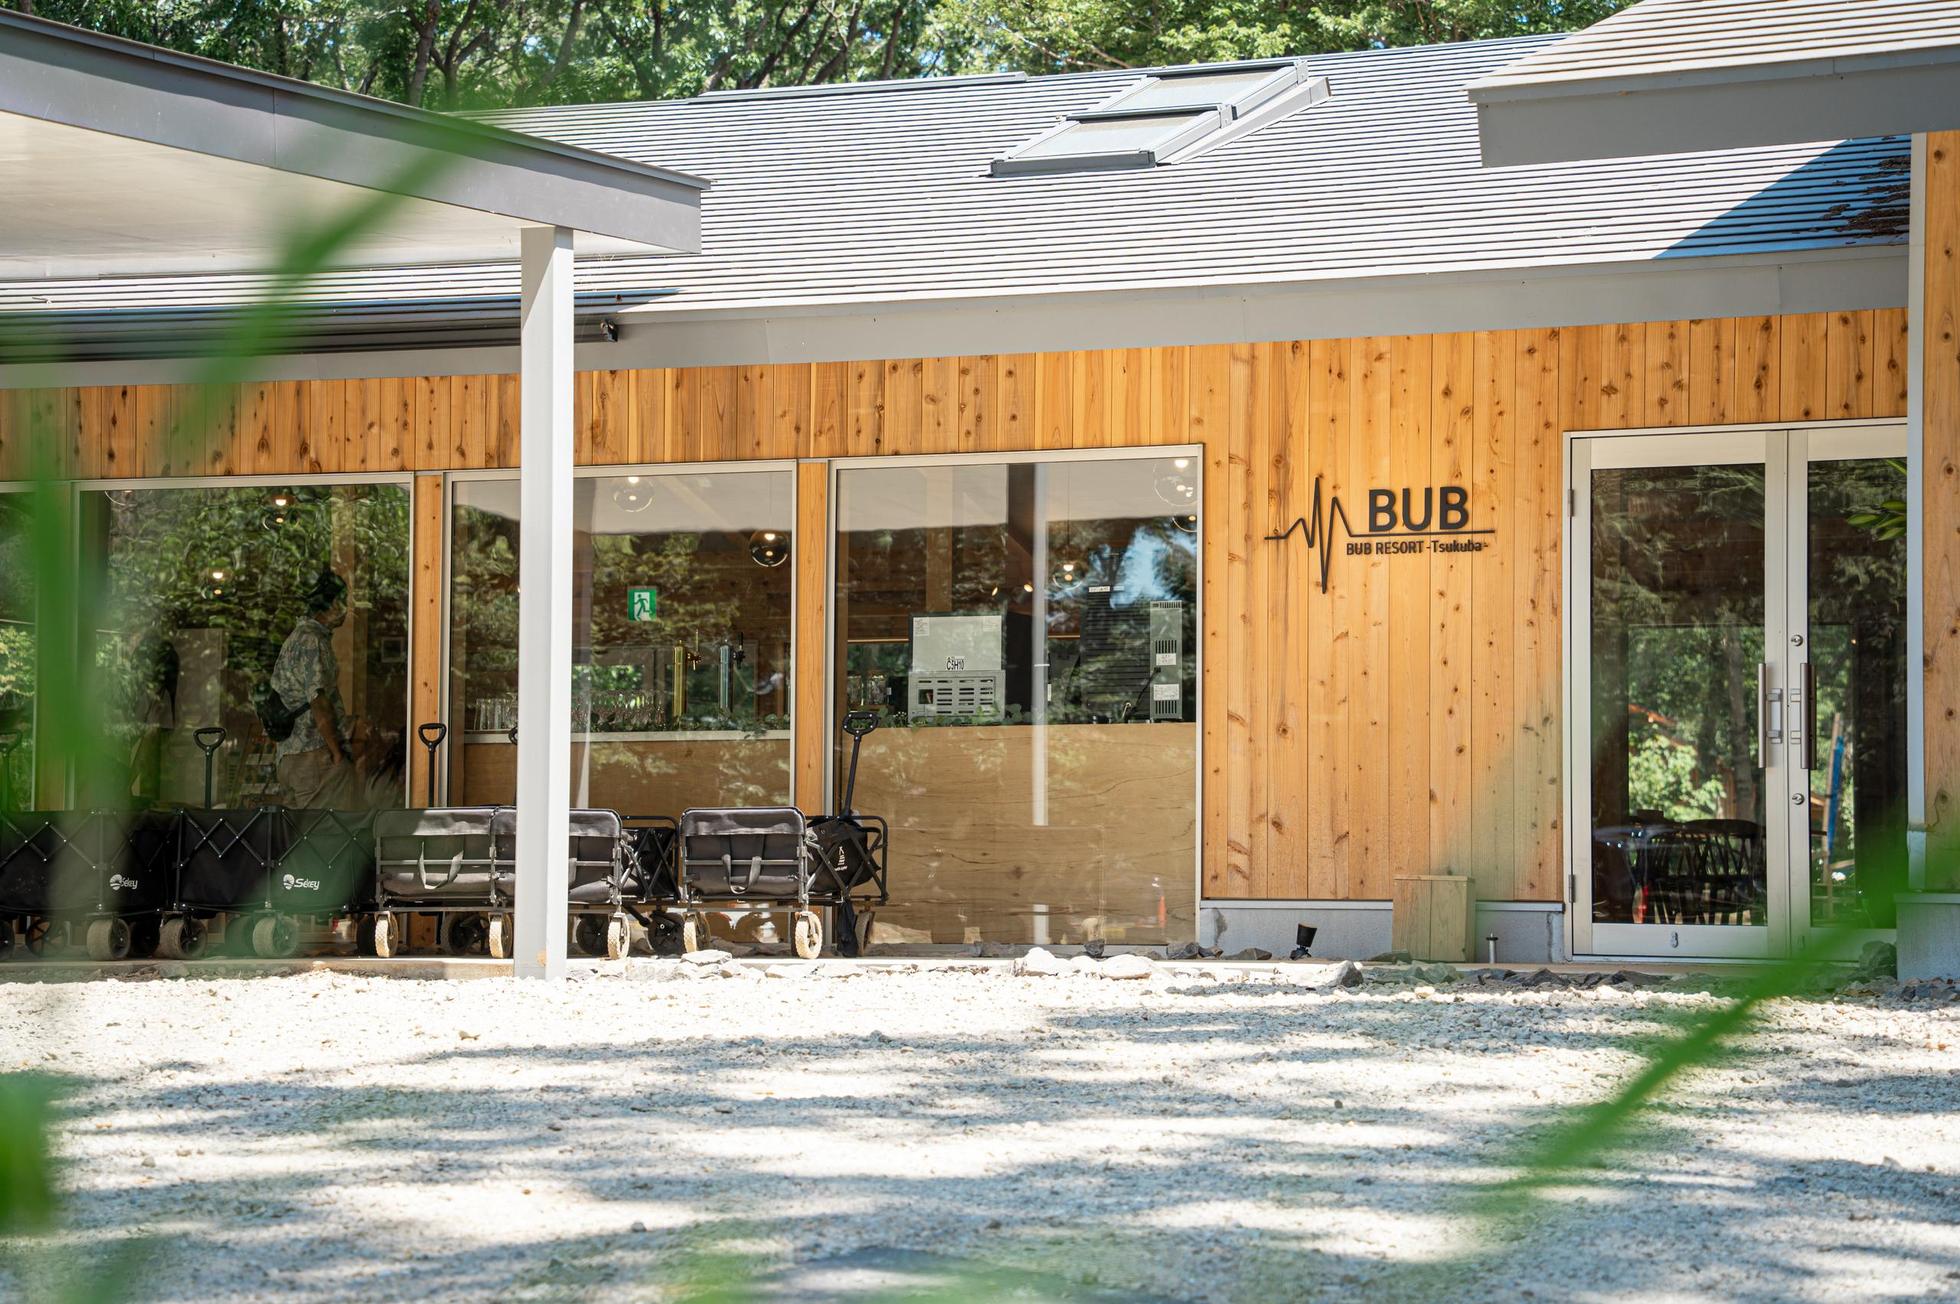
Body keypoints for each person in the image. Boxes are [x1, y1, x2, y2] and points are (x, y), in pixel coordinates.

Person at [272, 571, 356, 809]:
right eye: (343, 600)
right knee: (323, 826)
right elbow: (318, 701)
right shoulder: (313, 641)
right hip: (312, 754)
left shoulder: (294, 638)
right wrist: (336, 751)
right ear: (331, 604)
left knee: (297, 827)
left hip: (288, 755)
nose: (347, 608)